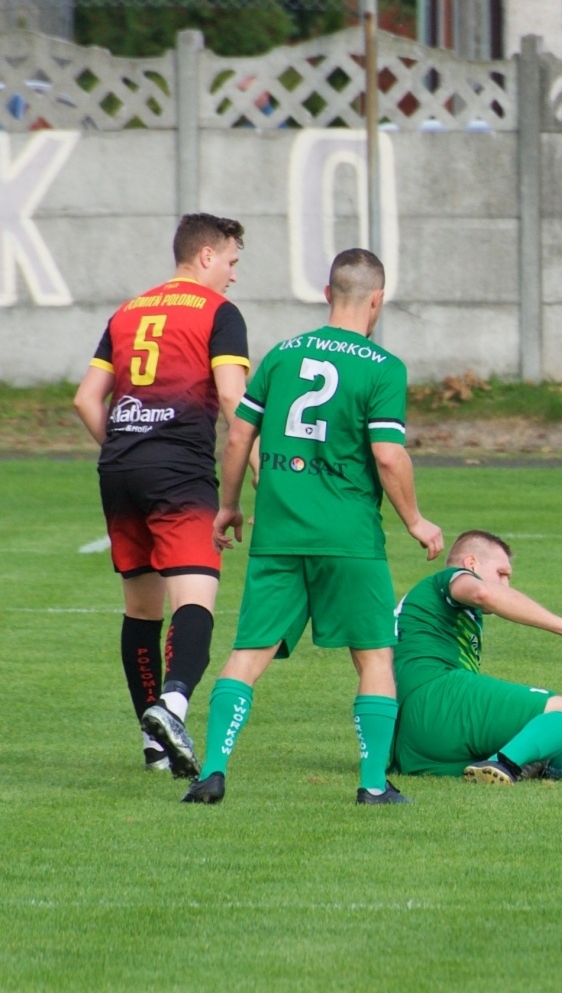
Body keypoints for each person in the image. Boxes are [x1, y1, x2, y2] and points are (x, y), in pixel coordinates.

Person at [181, 248, 443, 806]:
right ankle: (373, 784)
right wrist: (416, 521)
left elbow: (236, 438)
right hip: (348, 538)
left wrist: (227, 505)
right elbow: (390, 456)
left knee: (248, 653)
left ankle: (213, 772)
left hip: (278, 534)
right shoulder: (382, 366)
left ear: (328, 294)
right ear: (377, 300)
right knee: (374, 656)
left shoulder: (280, 356)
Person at [72, 213, 251, 778]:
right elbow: (232, 400)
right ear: (205, 257)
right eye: (231, 261)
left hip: (119, 467)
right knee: (195, 598)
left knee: (141, 609)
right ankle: (172, 705)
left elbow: (85, 399)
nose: (233, 275)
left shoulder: (127, 312)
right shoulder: (220, 314)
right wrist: (249, 482)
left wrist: (127, 445)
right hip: (178, 470)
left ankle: (152, 748)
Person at [391, 529, 562, 784]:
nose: (506, 584)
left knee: (545, 737)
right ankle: (503, 764)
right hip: (437, 695)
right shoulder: (451, 578)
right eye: (501, 574)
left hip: (410, 742)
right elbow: (484, 593)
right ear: (470, 563)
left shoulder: (429, 612)